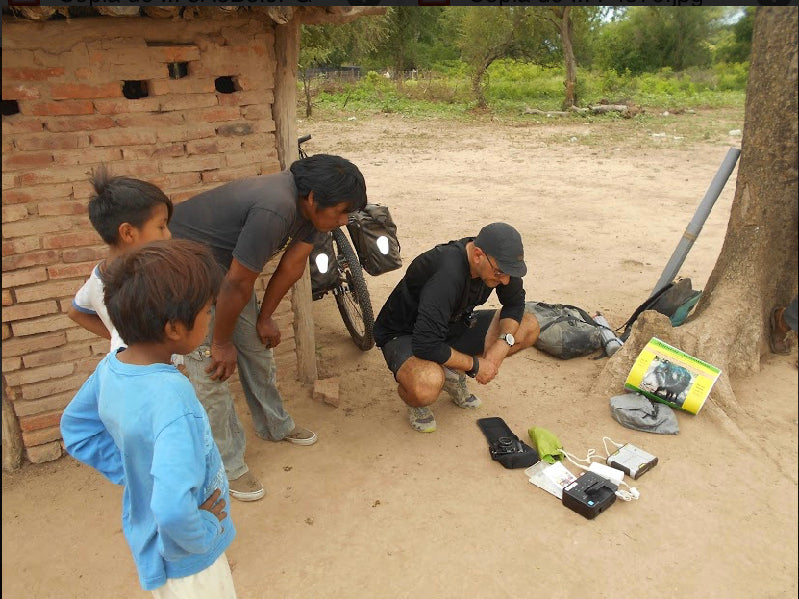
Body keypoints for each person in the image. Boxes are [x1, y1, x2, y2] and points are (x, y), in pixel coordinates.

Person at [170, 154, 367, 502]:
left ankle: (275, 424)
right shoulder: (274, 209)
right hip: (185, 274)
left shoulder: (309, 211)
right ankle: (226, 465)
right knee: (212, 368)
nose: (344, 219)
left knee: (257, 349)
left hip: (225, 274)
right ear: (312, 199)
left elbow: (292, 267)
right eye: (340, 210)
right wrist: (220, 342)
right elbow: (236, 284)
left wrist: (265, 318)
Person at [61, 239, 237, 598]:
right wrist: (201, 530)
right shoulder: (175, 400)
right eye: (207, 310)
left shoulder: (111, 367)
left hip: (153, 543)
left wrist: (138, 473)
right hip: (190, 563)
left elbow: (76, 429)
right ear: (173, 328)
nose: (210, 317)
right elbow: (173, 511)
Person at [373, 222, 540, 433]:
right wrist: (475, 365)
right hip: (406, 334)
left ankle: (451, 370)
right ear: (478, 255)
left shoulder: (501, 262)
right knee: (426, 385)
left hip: (452, 324)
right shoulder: (447, 273)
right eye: (499, 273)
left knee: (528, 326)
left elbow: (514, 304)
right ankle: (421, 395)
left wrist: (502, 343)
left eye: (509, 274)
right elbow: (426, 344)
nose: (506, 280)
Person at [67, 168, 173, 353]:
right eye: (161, 226)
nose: (169, 234)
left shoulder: (98, 276)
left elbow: (76, 312)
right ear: (128, 232)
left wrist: (120, 338)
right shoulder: (141, 283)